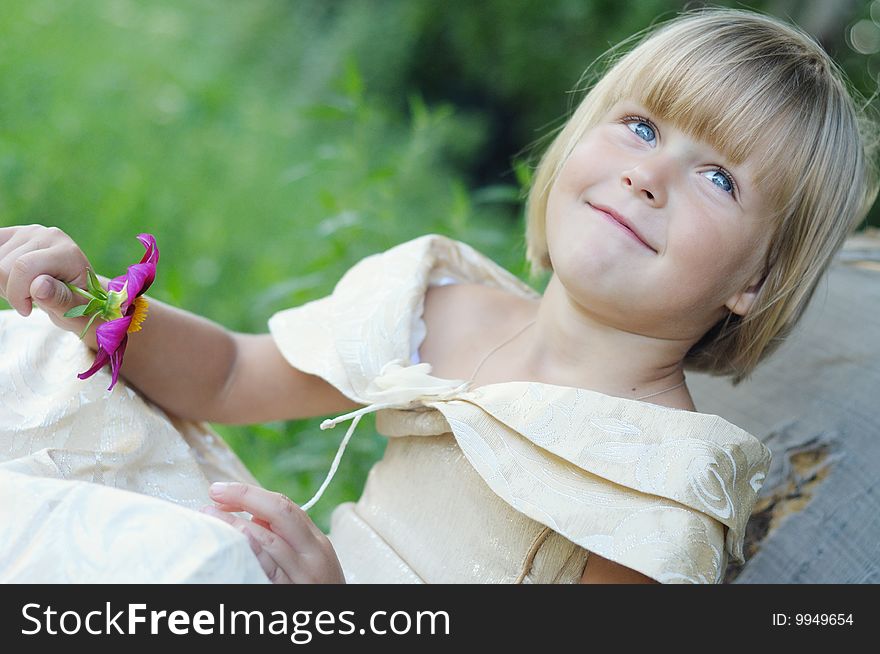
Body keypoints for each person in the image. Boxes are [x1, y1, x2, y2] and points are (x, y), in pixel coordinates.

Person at [0, 8, 876, 584]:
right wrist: (93, 305)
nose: (649, 174)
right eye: (641, 127)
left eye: (718, 177)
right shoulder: (447, 303)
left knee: (186, 569)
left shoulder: (659, 478)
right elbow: (230, 376)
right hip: (286, 579)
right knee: (32, 361)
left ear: (757, 281)